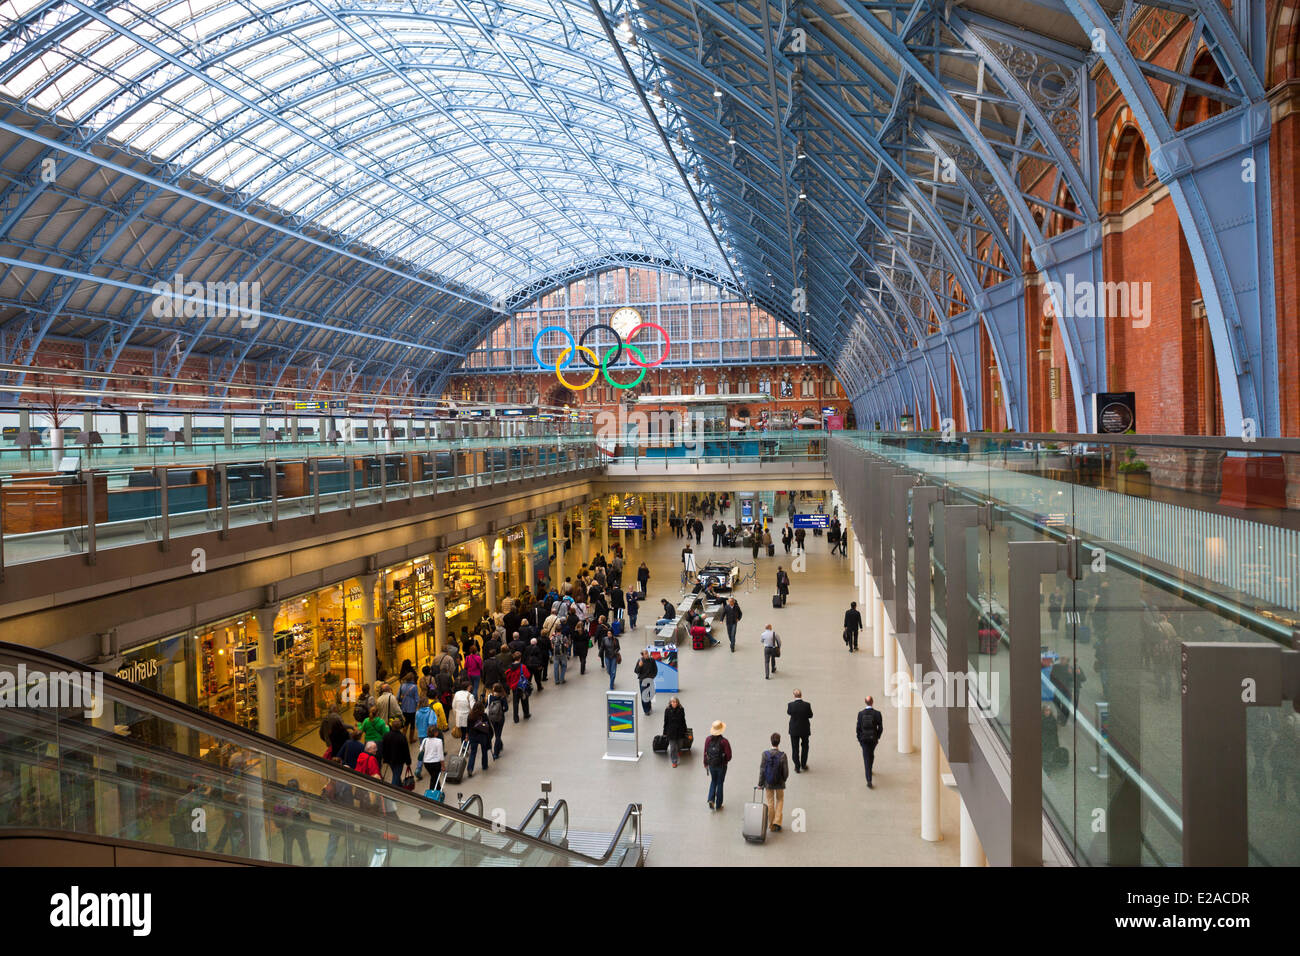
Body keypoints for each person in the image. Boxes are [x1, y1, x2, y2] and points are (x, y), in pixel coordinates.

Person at [757, 733, 790, 833]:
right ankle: (777, 821)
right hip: (779, 783)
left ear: (771, 741)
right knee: (780, 800)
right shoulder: (783, 755)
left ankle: (771, 825)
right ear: (779, 742)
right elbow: (786, 772)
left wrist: (760, 783)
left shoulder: (765, 754)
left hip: (768, 783)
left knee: (770, 802)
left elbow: (762, 770)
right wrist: (783, 779)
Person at [703, 719, 732, 810]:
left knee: (713, 781)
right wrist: (725, 761)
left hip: (711, 764)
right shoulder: (724, 741)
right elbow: (729, 755)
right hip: (721, 765)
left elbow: (705, 752)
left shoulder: (708, 739)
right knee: (720, 783)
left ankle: (711, 799)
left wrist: (705, 763)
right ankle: (718, 805)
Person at [856, 695, 884, 788]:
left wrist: (859, 739)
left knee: (866, 758)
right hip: (873, 739)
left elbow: (858, 728)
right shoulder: (877, 714)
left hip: (864, 739)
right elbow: (880, 728)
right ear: (872, 702)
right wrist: (877, 737)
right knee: (870, 755)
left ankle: (869, 780)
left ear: (865, 702)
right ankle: (870, 771)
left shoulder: (861, 714)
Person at [786, 689, 813, 772]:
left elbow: (789, 713)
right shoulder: (807, 705)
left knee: (795, 748)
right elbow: (810, 715)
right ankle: (803, 764)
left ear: (794, 696)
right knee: (805, 747)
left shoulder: (790, 705)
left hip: (794, 730)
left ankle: (797, 767)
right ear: (801, 695)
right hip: (804, 729)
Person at [381, 716, 412, 786]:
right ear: (400, 727)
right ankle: (392, 792)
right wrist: (408, 762)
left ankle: (400, 786)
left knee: (396, 773)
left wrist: (384, 757)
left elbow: (383, 747)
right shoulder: (402, 737)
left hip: (389, 759)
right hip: (399, 761)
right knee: (396, 776)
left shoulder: (386, 735)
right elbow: (406, 751)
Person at [465, 702, 493, 777]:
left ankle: (470, 769)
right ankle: (484, 765)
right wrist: (491, 735)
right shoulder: (484, 716)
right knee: (484, 751)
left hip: (473, 736)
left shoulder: (470, 716)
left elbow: (467, 727)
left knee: (473, 753)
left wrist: (467, 735)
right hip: (482, 736)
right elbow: (489, 727)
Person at [662, 697, 688, 768]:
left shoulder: (681, 709)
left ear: (678, 702)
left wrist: (685, 730)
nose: (674, 703)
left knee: (680, 745)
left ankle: (678, 751)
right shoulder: (667, 710)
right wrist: (664, 731)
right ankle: (674, 761)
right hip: (671, 731)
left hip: (680, 731)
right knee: (673, 747)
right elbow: (666, 721)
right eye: (672, 702)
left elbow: (683, 720)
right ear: (670, 703)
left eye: (675, 702)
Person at [506, 652, 532, 722]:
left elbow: (508, 678)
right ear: (520, 658)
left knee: (515, 703)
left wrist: (511, 685)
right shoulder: (522, 666)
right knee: (524, 700)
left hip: (514, 688)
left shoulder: (510, 668)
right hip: (522, 687)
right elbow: (527, 675)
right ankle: (526, 714)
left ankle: (515, 718)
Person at [486, 682, 509, 757]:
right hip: (500, 718)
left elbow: (486, 706)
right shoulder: (502, 697)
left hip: (492, 718)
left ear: (494, 689)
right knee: (498, 735)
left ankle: (500, 745)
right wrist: (501, 711)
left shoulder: (490, 697)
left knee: (497, 733)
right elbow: (506, 709)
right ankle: (496, 753)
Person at [634, 650, 658, 715]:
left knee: (650, 694)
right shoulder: (640, 661)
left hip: (650, 680)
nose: (647, 654)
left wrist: (652, 677)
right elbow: (636, 671)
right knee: (644, 695)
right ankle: (646, 710)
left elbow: (655, 670)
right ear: (642, 655)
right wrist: (639, 666)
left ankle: (649, 706)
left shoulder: (652, 660)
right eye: (645, 654)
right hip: (643, 681)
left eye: (647, 653)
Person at [399, 674, 420, 742]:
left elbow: (398, 697)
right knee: (412, 723)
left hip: (404, 706)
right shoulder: (414, 687)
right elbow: (416, 698)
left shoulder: (402, 685)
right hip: (412, 707)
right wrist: (418, 705)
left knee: (406, 722)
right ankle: (411, 738)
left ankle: (403, 737)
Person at [601, 625, 621, 690]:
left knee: (613, 671)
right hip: (607, 656)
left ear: (612, 634)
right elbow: (602, 647)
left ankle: (611, 684)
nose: (608, 634)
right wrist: (600, 653)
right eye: (608, 633)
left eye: (610, 633)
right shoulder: (604, 639)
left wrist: (615, 652)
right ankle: (612, 678)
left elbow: (618, 647)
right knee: (609, 670)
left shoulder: (616, 640)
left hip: (614, 657)